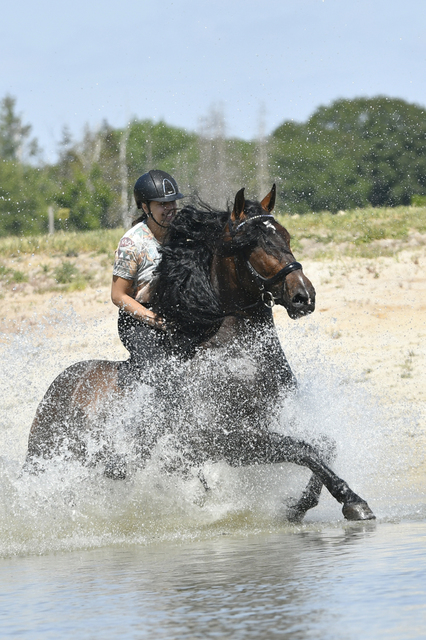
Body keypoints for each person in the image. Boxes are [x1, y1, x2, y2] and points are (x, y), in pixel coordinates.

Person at [111, 169, 184, 385]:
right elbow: (118, 296)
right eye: (162, 204)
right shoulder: (131, 243)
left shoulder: (181, 234)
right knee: (162, 376)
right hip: (139, 323)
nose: (170, 208)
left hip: (175, 313)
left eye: (172, 202)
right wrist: (155, 320)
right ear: (145, 207)